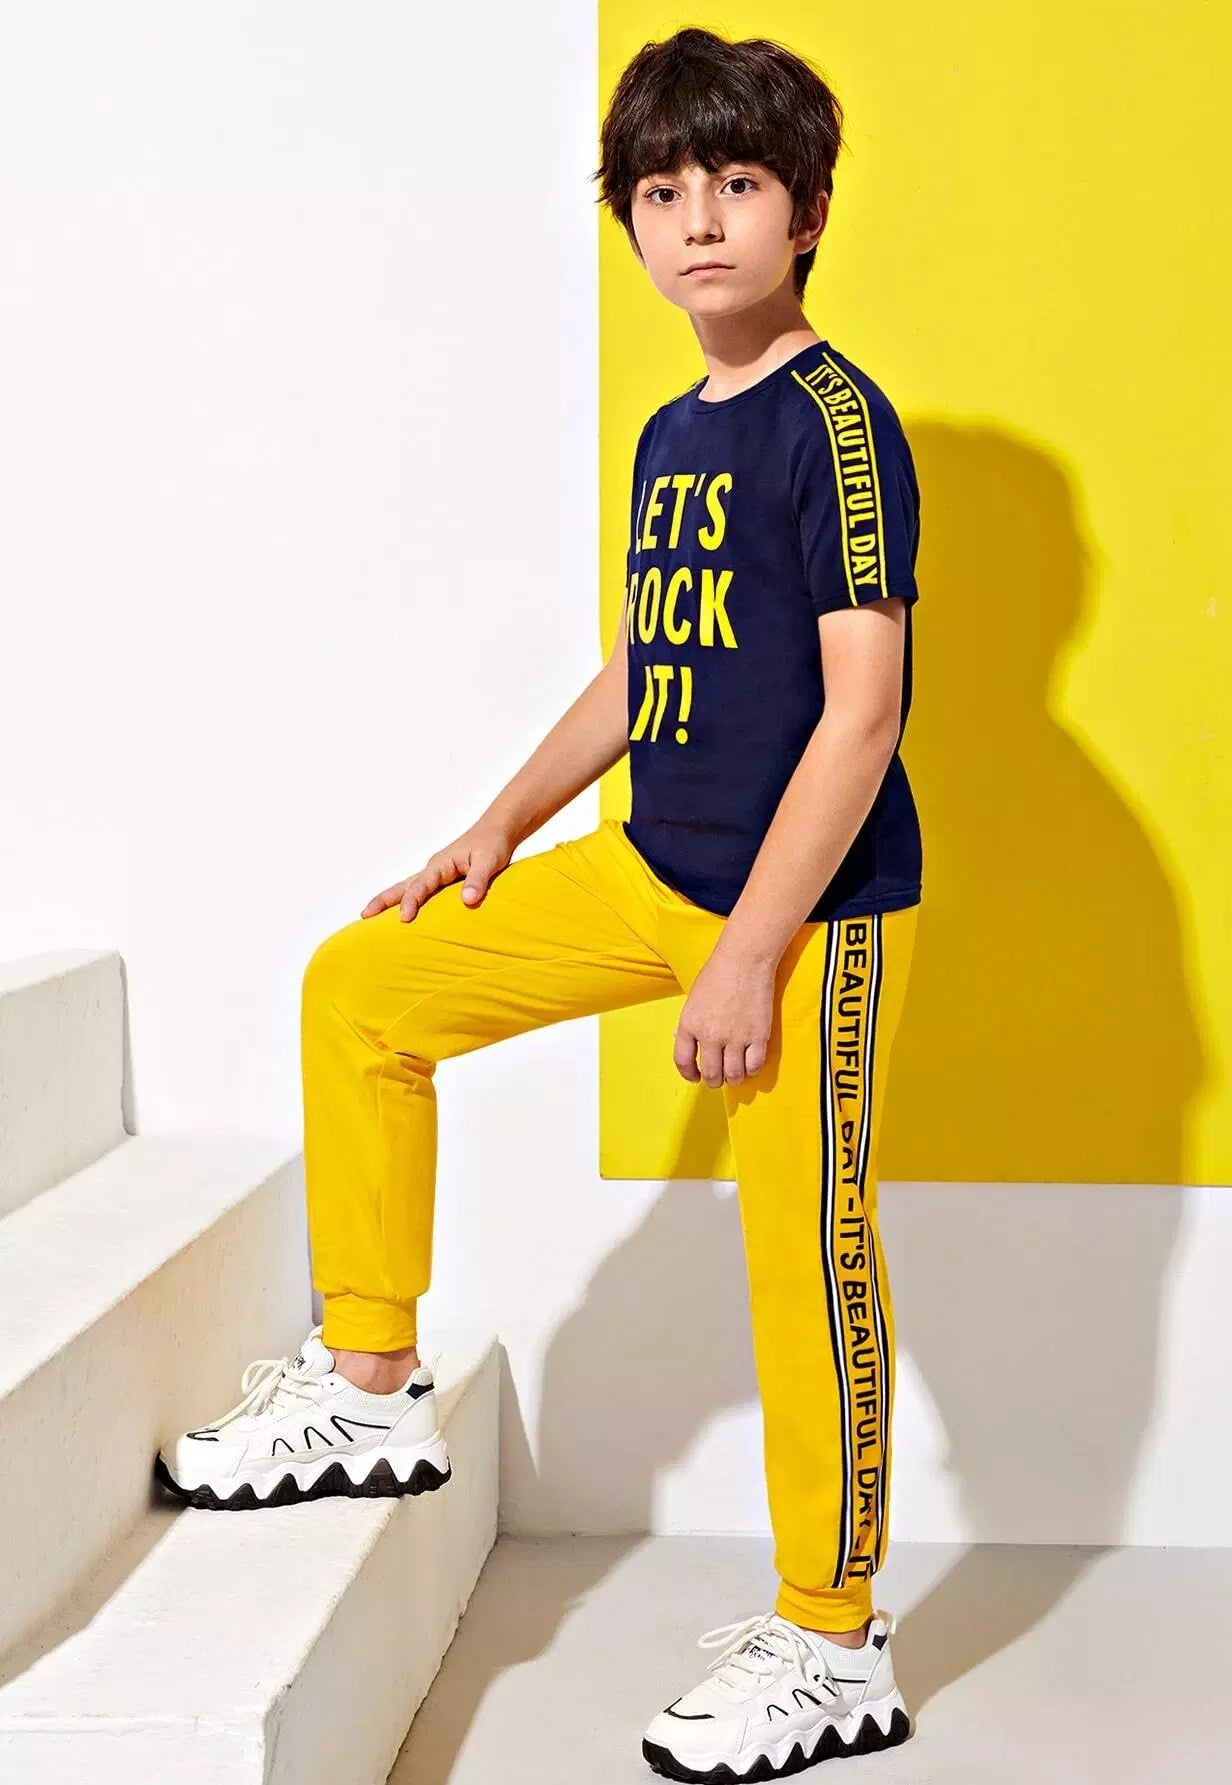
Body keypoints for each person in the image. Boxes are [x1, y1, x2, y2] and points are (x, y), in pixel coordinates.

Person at [157, 23, 922, 1780]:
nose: (698, 221)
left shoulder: (839, 425)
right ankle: (369, 1386)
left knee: (804, 1253)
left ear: (805, 212)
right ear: (630, 220)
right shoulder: (671, 433)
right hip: (650, 869)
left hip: (798, 917)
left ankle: (833, 1640)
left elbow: (864, 713)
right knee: (365, 984)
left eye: (738, 184)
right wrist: (495, 826)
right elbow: (647, 662)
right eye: (661, 191)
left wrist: (750, 953)